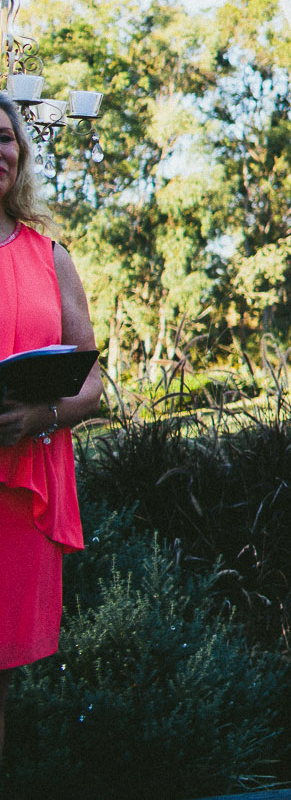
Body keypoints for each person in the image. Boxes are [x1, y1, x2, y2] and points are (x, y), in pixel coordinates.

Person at [0, 94, 103, 761]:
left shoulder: (49, 256)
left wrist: (42, 416)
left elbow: (90, 381)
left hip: (18, 489)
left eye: (5, 140)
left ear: (21, 154)